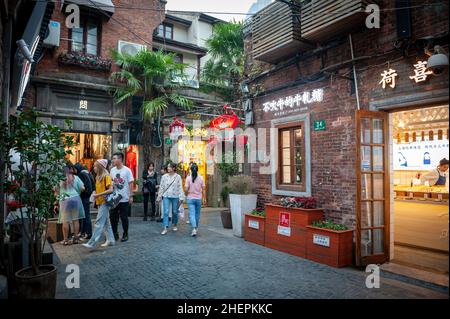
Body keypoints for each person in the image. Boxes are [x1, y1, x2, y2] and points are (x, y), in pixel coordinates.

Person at [82, 159, 115, 249]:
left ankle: (91, 243)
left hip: (105, 202)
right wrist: (95, 195)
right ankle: (111, 240)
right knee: (106, 223)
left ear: (100, 167)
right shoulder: (97, 177)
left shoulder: (106, 176)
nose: (94, 168)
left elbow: (110, 189)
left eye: (95, 166)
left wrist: (97, 195)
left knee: (99, 223)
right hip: (100, 202)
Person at [57, 164, 85, 245]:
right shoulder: (75, 177)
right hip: (75, 198)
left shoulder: (60, 179)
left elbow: (55, 190)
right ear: (70, 170)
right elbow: (83, 188)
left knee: (65, 221)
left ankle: (66, 240)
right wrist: (77, 192)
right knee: (75, 220)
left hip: (64, 199)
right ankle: (76, 239)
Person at [110, 152, 134, 242]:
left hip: (124, 198)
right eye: (112, 158)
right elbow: (111, 182)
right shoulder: (112, 170)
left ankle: (125, 233)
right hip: (115, 197)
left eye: (114, 158)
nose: (113, 160)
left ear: (120, 159)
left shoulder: (127, 170)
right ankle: (115, 233)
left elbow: (131, 183)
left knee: (124, 217)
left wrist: (131, 196)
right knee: (113, 217)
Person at [157, 162, 184, 235]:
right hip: (166, 196)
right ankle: (165, 227)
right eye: (168, 167)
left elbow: (180, 187)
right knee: (165, 211)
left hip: (175, 196)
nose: (168, 168)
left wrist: (181, 197)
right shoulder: (164, 176)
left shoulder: (178, 177)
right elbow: (162, 187)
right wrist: (159, 196)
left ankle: (175, 224)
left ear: (174, 168)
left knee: (174, 211)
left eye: (169, 167)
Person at [74, 163, 95, 239]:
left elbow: (86, 187)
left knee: (85, 215)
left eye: (75, 169)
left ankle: (88, 233)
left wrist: (81, 193)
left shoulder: (82, 174)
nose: (74, 171)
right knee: (85, 215)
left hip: (84, 197)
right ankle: (84, 232)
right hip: (86, 197)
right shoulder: (86, 172)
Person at [185, 163, 206, 237]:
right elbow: (203, 189)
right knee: (197, 214)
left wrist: (186, 194)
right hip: (198, 198)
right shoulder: (201, 178)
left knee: (192, 214)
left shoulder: (188, 178)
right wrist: (204, 198)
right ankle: (195, 228)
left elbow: (186, 189)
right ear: (198, 169)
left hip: (190, 198)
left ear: (190, 170)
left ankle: (194, 228)